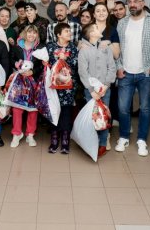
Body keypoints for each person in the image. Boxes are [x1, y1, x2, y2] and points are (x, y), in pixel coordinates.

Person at [114, 0, 150, 157]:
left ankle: (142, 139)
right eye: (130, 1)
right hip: (125, 72)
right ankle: (123, 137)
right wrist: (119, 66)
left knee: (145, 108)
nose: (133, 4)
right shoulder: (122, 23)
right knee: (122, 108)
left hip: (145, 73)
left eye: (136, 1)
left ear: (143, 3)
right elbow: (117, 48)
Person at [78, 23, 116, 157]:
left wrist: (105, 85)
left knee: (105, 116)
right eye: (95, 28)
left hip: (105, 89)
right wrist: (91, 90)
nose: (98, 28)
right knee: (93, 117)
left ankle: (103, 144)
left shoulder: (106, 48)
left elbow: (112, 68)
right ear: (91, 34)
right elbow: (83, 72)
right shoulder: (84, 50)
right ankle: (91, 142)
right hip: (91, 91)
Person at [9, 25, 44, 148]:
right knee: (17, 107)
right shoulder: (17, 47)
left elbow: (42, 65)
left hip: (33, 81)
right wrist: (17, 66)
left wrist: (33, 72)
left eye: (34, 33)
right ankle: (16, 133)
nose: (31, 35)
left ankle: (30, 134)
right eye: (29, 32)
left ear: (37, 35)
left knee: (33, 108)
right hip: (19, 80)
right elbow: (10, 60)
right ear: (25, 33)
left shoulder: (40, 48)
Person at [47, 23, 79, 154]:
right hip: (53, 86)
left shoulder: (73, 48)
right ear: (58, 34)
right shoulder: (50, 47)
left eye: (69, 31)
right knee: (54, 111)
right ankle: (54, 138)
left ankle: (65, 139)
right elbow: (47, 66)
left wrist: (66, 59)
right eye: (66, 31)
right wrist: (55, 60)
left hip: (68, 87)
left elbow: (76, 66)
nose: (69, 33)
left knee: (66, 111)